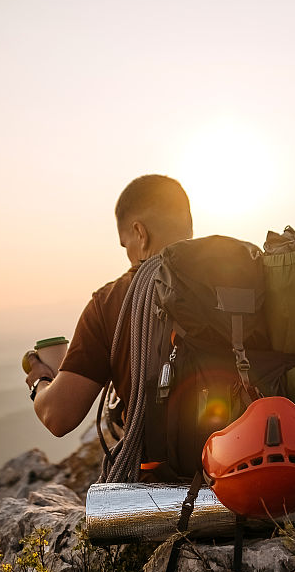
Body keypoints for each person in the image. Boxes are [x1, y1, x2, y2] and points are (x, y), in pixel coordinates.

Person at [25, 174, 193, 437]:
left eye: (125, 245)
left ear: (140, 233)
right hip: (257, 464)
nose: (127, 254)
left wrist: (40, 381)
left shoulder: (113, 301)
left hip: (162, 474)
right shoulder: (242, 277)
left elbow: (58, 415)